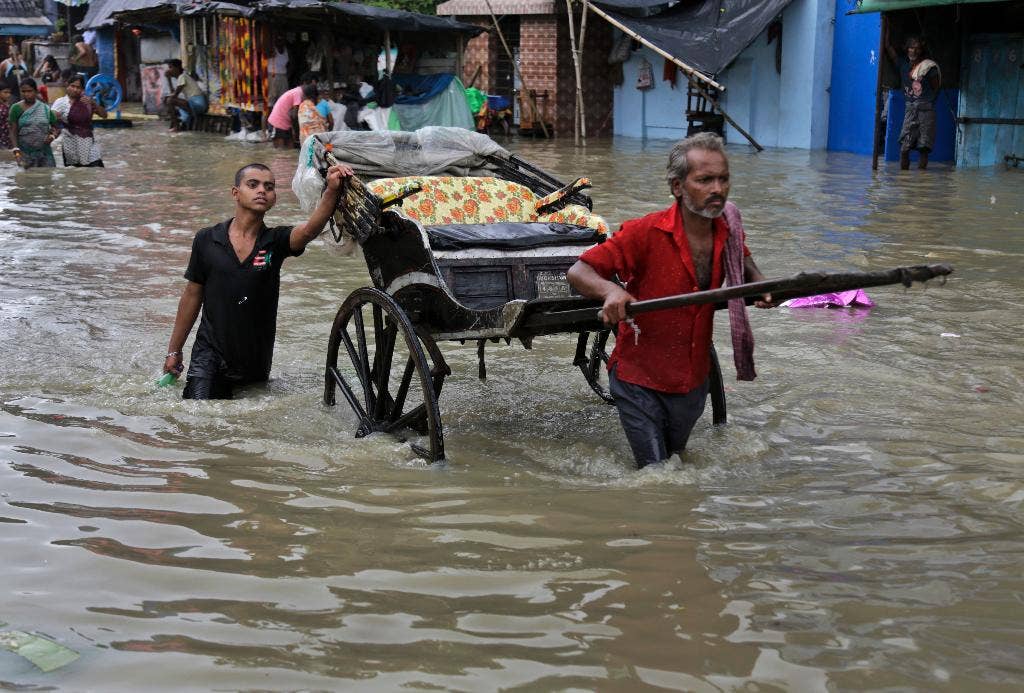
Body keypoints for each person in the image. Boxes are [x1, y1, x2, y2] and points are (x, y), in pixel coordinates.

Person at [566, 133, 774, 468]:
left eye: (723, 179)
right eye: (705, 180)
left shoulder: (729, 231)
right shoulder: (644, 232)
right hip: (639, 380)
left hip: (691, 382)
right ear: (678, 187)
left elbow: (751, 272)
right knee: (657, 474)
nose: (717, 189)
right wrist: (612, 290)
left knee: (676, 463)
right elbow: (580, 271)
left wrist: (765, 290)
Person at [163, 161, 355, 399]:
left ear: (274, 198)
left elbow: (307, 231)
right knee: (198, 414)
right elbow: (192, 295)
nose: (262, 190)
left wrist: (332, 191)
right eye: (253, 185)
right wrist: (174, 350)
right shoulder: (207, 239)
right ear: (236, 193)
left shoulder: (275, 241)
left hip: (255, 360)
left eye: (269, 186)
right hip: (209, 357)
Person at [885, 29, 941, 170]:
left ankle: (920, 185)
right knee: (905, 148)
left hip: (926, 111)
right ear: (906, 49)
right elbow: (889, 49)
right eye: (911, 48)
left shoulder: (928, 66)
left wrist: (927, 102)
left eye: (917, 48)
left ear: (921, 50)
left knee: (924, 149)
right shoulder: (903, 65)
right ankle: (905, 181)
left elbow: (936, 87)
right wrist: (886, 30)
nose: (914, 51)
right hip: (910, 109)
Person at [51, 74, 107, 167]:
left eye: (78, 87)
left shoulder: (87, 101)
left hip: (88, 141)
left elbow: (104, 115)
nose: (75, 90)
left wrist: (94, 104)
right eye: (72, 86)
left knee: (97, 168)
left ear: (82, 89)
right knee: (76, 173)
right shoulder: (61, 102)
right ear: (67, 86)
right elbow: (51, 117)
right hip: (70, 143)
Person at [8, 78, 58, 168]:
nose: (26, 94)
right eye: (23, 91)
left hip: (45, 153)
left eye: (29, 91)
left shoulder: (45, 108)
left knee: (48, 178)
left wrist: (52, 136)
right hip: (25, 153)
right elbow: (13, 131)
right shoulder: (15, 108)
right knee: (27, 179)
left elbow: (56, 128)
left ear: (35, 91)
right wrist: (16, 152)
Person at [266, 71, 317, 149]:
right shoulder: (298, 93)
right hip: (279, 122)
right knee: (280, 151)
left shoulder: (301, 93)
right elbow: (294, 115)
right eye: (312, 85)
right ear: (304, 83)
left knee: (289, 150)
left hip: (287, 122)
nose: (313, 88)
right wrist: (297, 132)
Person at [163, 58, 208, 131]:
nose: (169, 70)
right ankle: (178, 124)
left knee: (169, 100)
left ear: (176, 68)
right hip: (192, 103)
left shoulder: (183, 76)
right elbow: (173, 93)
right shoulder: (181, 77)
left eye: (171, 67)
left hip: (198, 104)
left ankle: (176, 126)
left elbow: (174, 95)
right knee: (168, 100)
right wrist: (169, 79)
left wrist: (168, 99)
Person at [266, 35, 290, 105]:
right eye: (278, 40)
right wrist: (269, 54)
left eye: (282, 40)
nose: (280, 42)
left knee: (283, 98)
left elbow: (291, 63)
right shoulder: (272, 49)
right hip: (273, 76)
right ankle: (270, 115)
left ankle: (280, 115)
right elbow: (265, 55)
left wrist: (288, 74)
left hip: (283, 76)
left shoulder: (286, 51)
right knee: (271, 98)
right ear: (275, 42)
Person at [0, 84, 11, 150]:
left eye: (9, 92)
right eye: (5, 92)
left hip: (9, 139)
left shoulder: (7, 105)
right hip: (2, 141)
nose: (8, 95)